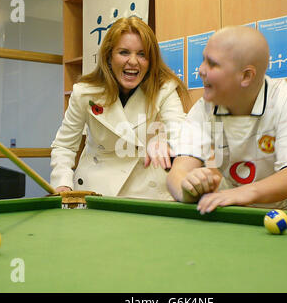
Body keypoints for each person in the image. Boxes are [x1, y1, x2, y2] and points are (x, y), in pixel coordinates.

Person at [167, 26, 287, 212]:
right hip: (235, 209)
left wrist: (246, 192)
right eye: (203, 60)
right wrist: (187, 187)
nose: (200, 70)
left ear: (246, 76)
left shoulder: (286, 99)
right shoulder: (203, 108)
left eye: (212, 64)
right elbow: (178, 171)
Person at [50, 17, 191, 200]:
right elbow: (65, 146)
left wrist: (167, 142)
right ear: (108, 57)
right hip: (96, 192)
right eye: (124, 52)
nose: (133, 61)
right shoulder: (84, 93)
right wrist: (62, 183)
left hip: (148, 193)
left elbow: (179, 133)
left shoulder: (164, 90)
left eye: (142, 54)